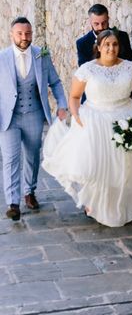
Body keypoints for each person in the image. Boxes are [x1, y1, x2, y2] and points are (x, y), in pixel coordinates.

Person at [42, 29, 132, 227]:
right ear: (99, 47)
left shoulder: (129, 68)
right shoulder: (87, 70)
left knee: (123, 166)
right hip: (95, 120)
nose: (111, 48)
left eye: (115, 44)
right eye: (107, 44)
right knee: (98, 165)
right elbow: (74, 97)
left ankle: (121, 204)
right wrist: (76, 116)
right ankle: (94, 203)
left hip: (124, 118)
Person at [0, 17, 67, 221]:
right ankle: (13, 203)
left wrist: (62, 105)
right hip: (9, 118)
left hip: (34, 114)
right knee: (11, 158)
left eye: (28, 33)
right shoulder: (2, 57)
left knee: (32, 155)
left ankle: (29, 192)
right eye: (20, 33)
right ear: (12, 34)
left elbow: (55, 82)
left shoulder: (41, 55)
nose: (24, 37)